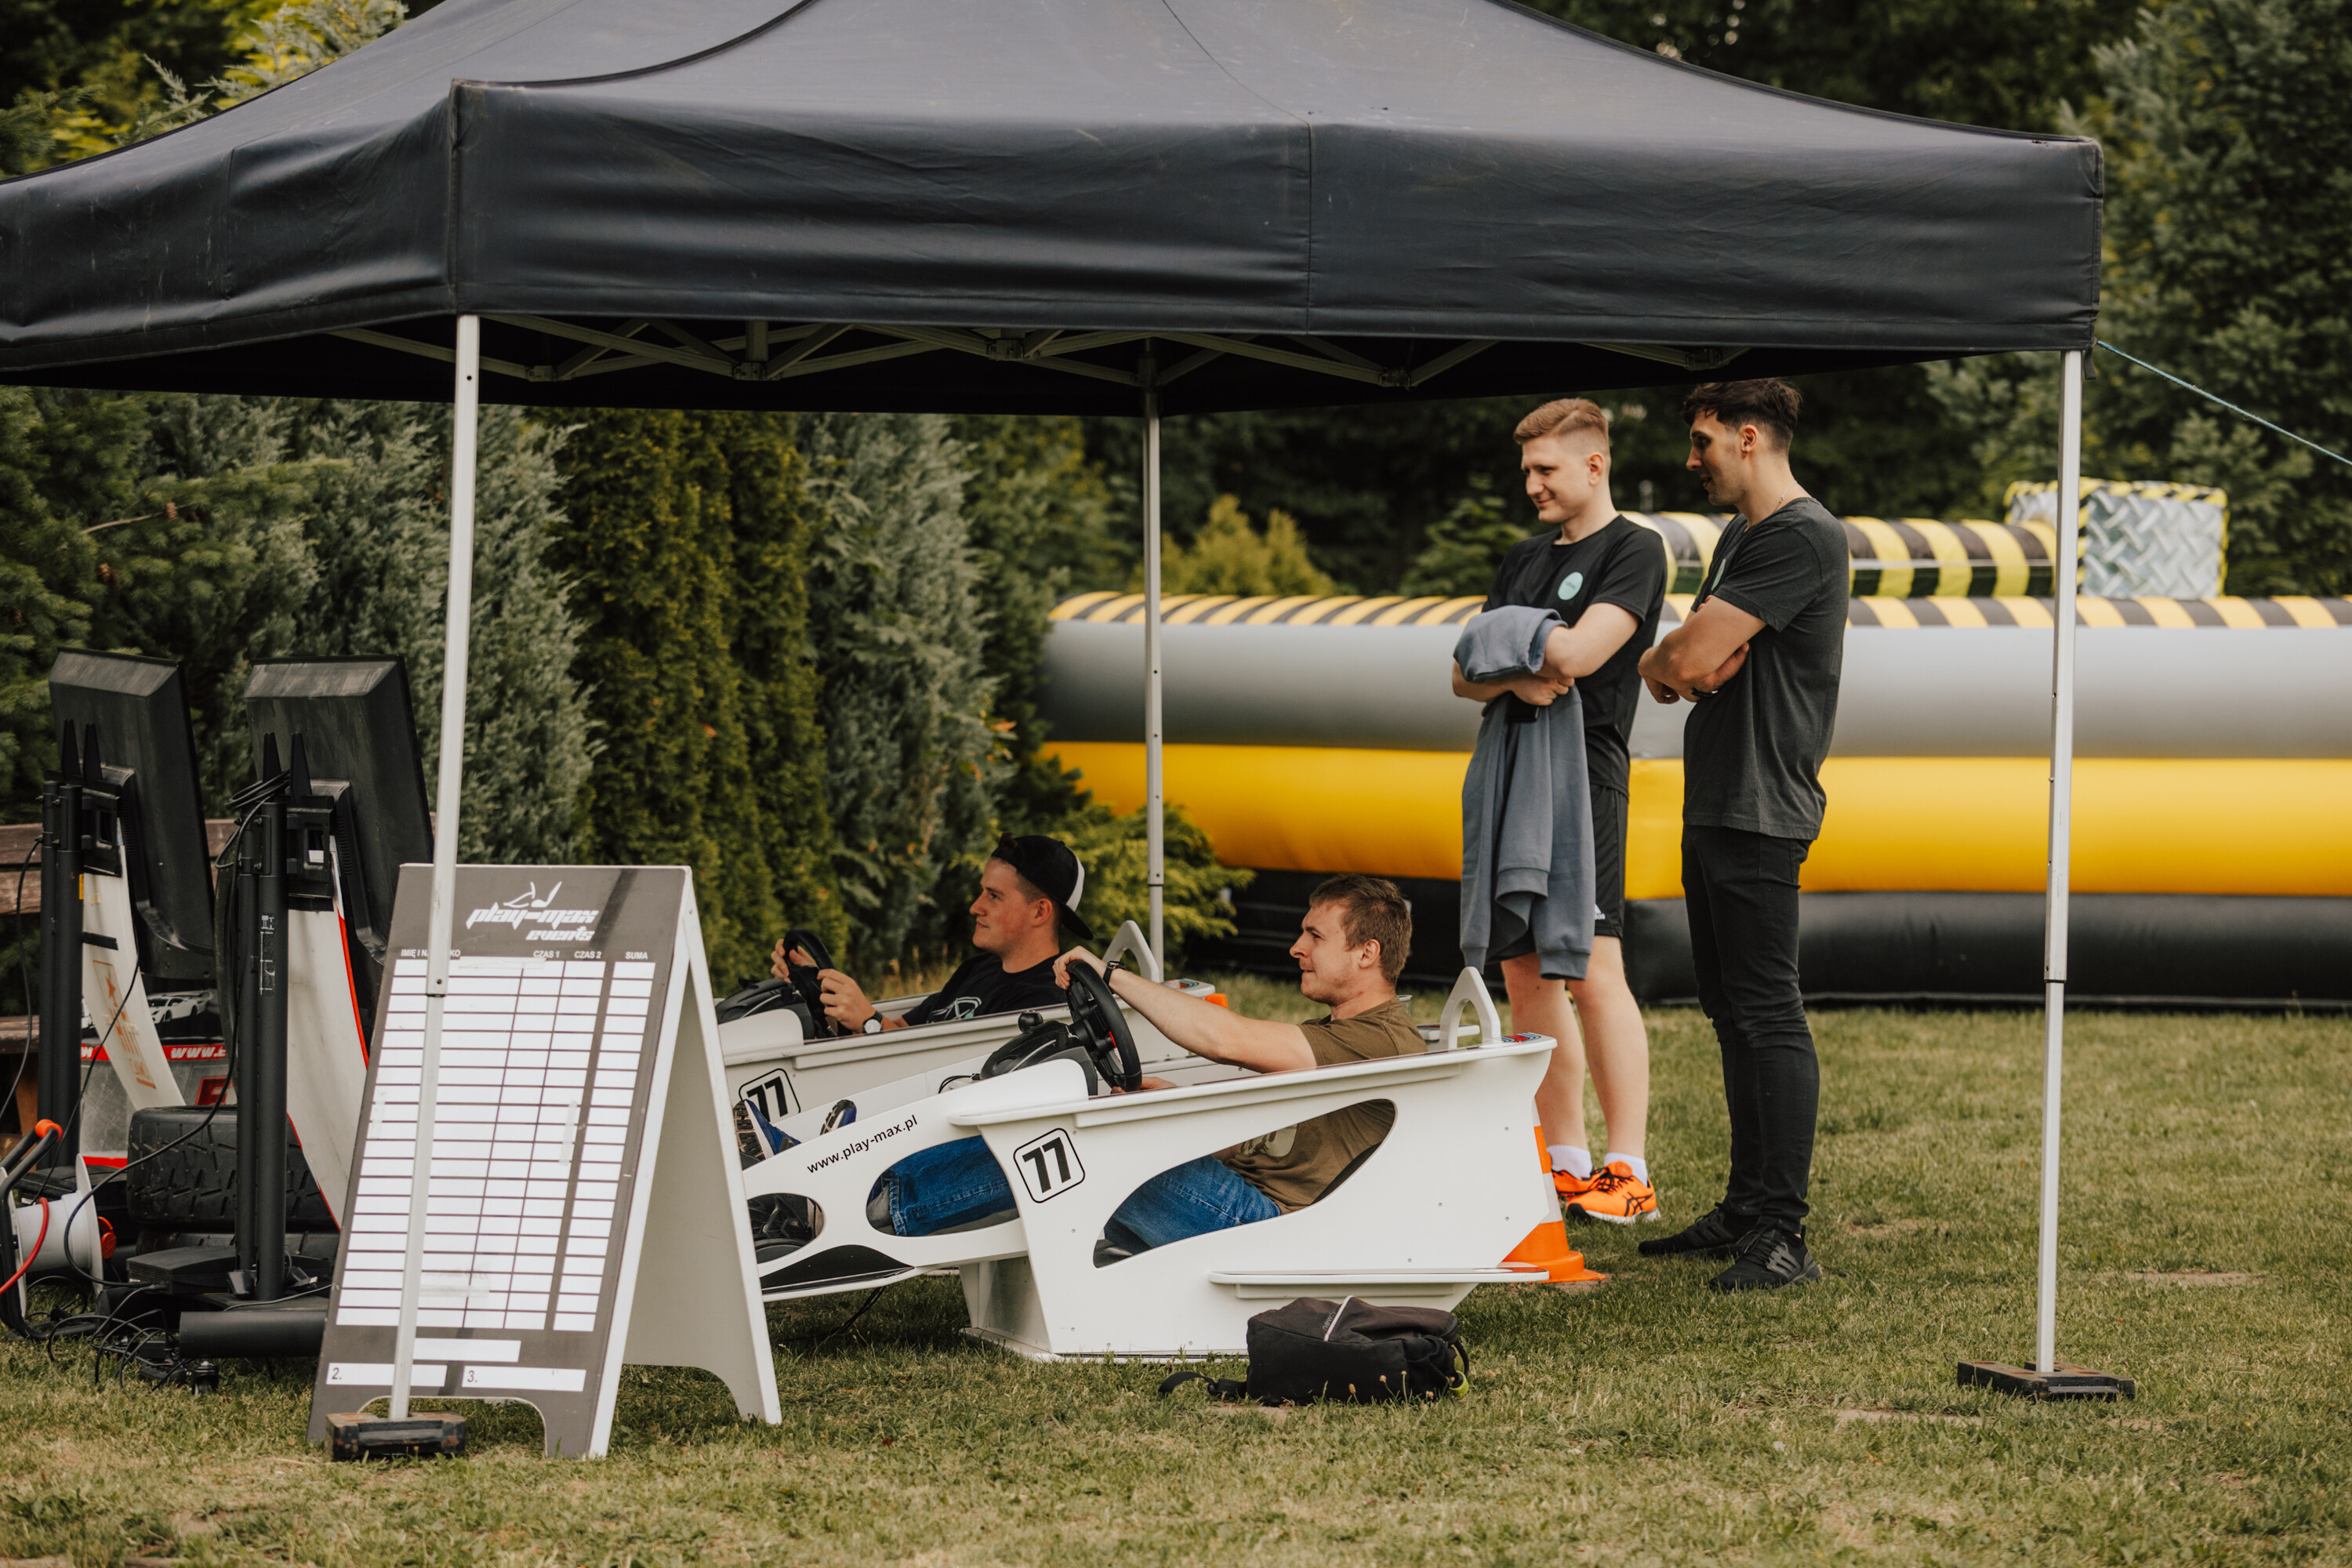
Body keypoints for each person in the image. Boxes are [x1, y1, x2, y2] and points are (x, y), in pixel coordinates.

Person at [871, 875, 1421, 1251]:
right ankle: (882, 1187)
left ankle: (879, 1209)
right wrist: (1169, 1109)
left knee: (1076, 1138)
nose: (1296, 948)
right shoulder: (1341, 1033)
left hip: (1268, 1229)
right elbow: (1259, 1141)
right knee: (1083, 1118)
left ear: (1366, 952)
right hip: (1244, 1204)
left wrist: (1112, 976)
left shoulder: (1378, 1039)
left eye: (1314, 936)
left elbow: (1225, 1037)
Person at [1634, 378, 1846, 1292]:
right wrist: (1677, 659)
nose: (1692, 460)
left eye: (1704, 442)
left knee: (1767, 1011)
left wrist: (1674, 659)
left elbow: (1685, 657)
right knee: (1730, 1010)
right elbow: (1682, 661)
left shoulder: (1802, 534)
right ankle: (1747, 1206)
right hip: (1717, 799)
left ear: (1750, 437)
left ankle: (1783, 1233)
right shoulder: (1740, 535)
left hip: (1761, 805)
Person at [1450, 397, 1667, 1223]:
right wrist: (1518, 669)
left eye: (1545, 470)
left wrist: (1507, 640)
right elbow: (1463, 673)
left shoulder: (1634, 548)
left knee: (1591, 966)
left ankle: (1629, 1168)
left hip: (1584, 773)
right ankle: (1568, 1160)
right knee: (1523, 970)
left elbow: (1580, 652)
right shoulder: (1523, 557)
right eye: (1527, 472)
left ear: (1594, 465)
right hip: (1508, 766)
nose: (1532, 485)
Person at [774, 835, 1089, 1033]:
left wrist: (869, 1021)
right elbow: (901, 1029)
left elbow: (948, 1077)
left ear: (1039, 912)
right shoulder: (977, 969)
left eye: (994, 896)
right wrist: (820, 989)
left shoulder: (1047, 1001)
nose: (975, 907)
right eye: (982, 892)